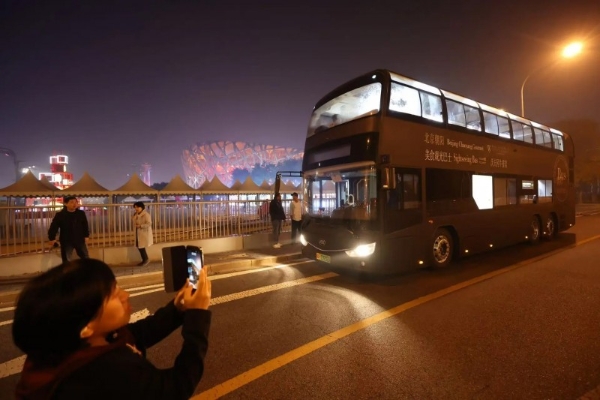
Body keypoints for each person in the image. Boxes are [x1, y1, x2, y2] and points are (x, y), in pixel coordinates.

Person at [12, 258, 212, 400]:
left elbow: (137, 334)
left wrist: (178, 310)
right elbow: (176, 387)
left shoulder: (72, 346)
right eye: (114, 295)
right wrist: (198, 316)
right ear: (86, 326)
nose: (125, 295)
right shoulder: (102, 374)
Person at [48, 196, 90, 263]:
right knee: (66, 259)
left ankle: (87, 272)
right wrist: (52, 237)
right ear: (66, 204)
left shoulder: (80, 213)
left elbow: (85, 225)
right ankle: (67, 272)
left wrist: (86, 235)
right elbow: (54, 226)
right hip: (66, 240)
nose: (74, 204)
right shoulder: (60, 215)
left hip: (79, 239)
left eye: (76, 202)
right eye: (71, 202)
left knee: (85, 257)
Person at [132, 201, 153, 266]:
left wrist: (141, 226)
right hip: (138, 233)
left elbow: (149, 223)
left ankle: (146, 260)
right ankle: (144, 260)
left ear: (142, 207)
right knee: (139, 247)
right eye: (135, 207)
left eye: (138, 207)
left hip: (143, 233)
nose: (136, 208)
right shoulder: (136, 214)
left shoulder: (146, 214)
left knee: (141, 247)